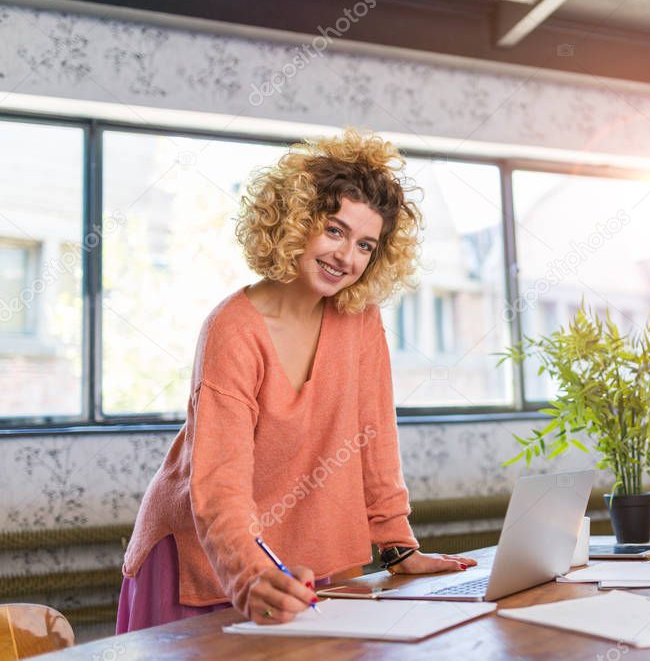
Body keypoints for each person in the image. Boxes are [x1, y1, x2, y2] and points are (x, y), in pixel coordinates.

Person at [117, 129, 476, 633]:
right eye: (334, 229)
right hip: (205, 558)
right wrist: (247, 574)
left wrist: (398, 548)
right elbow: (218, 484)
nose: (347, 257)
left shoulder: (360, 320)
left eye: (365, 244)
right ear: (295, 220)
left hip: (307, 550)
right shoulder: (233, 329)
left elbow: (375, 442)